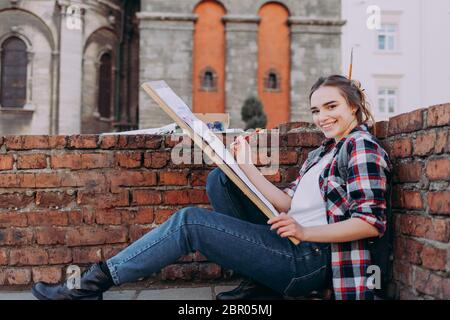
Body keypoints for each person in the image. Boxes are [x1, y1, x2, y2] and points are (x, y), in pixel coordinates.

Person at [31, 75, 392, 300]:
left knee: (190, 222)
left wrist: (305, 230)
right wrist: (244, 165)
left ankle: (90, 286)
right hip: (294, 243)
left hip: (310, 261)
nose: (321, 117)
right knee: (222, 178)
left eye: (331, 107)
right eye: (315, 110)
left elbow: (370, 222)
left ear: (355, 108)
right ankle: (259, 283)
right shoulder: (322, 152)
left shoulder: (361, 147)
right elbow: (287, 203)